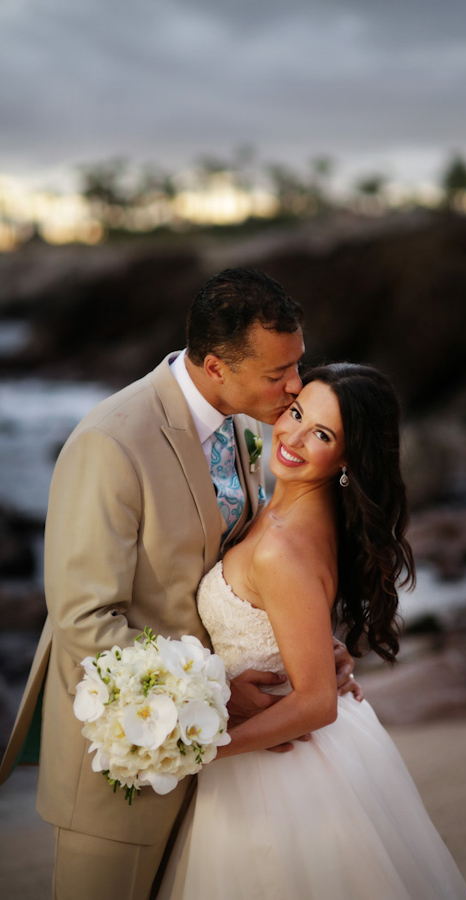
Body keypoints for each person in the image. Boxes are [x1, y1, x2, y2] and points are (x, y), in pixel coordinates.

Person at [0, 268, 359, 900]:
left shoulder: (253, 422)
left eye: (297, 364)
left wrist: (305, 655)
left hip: (223, 768)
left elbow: (253, 572)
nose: (295, 386)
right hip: (127, 761)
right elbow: (86, 620)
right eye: (278, 374)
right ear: (217, 365)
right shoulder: (111, 444)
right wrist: (222, 694)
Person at [157, 363, 466, 900]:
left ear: (348, 458)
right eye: (298, 413)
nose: (294, 437)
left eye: (322, 435)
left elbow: (316, 704)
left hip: (280, 765)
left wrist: (201, 749)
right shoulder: (291, 509)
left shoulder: (284, 545)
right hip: (282, 740)